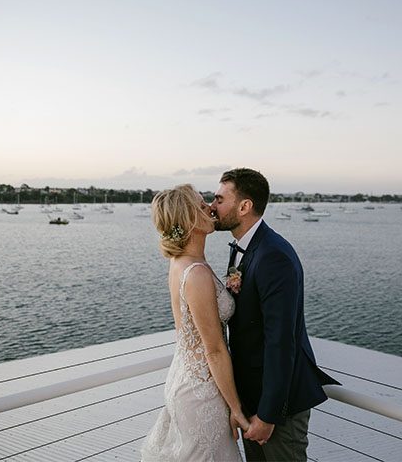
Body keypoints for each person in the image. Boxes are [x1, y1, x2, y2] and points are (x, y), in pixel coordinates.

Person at [211, 168, 340, 462]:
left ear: (244, 207)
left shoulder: (274, 256)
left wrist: (268, 415)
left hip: (279, 407)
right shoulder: (245, 248)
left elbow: (281, 342)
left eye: (219, 199)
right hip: (252, 398)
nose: (212, 206)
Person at [141, 184, 249, 462]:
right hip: (201, 392)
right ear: (189, 219)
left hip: (185, 376)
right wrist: (236, 409)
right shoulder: (196, 273)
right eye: (202, 205)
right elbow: (213, 349)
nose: (210, 208)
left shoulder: (180, 262)